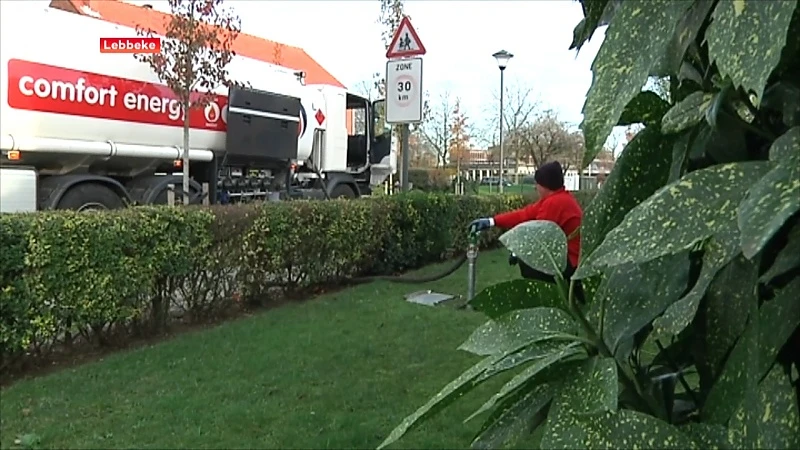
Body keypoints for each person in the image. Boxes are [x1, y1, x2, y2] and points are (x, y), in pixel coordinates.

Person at [469, 161, 585, 300]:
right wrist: (491, 221)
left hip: (572, 261)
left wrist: (517, 251)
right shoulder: (556, 199)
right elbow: (524, 215)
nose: (536, 187)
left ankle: (548, 300)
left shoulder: (555, 203)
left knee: (530, 264)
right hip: (571, 257)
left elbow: (539, 233)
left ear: (545, 185)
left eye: (538, 184)